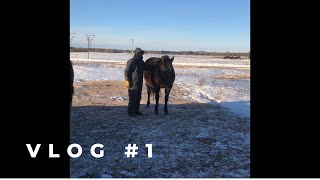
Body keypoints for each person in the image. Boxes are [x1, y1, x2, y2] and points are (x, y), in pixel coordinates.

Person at [124, 48, 149, 117]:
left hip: (139, 82)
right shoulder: (132, 61)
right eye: (140, 53)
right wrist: (127, 80)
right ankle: (130, 111)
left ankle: (136, 110)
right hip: (132, 82)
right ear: (137, 53)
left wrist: (155, 64)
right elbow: (127, 71)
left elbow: (146, 67)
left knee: (138, 97)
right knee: (132, 98)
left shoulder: (141, 62)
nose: (141, 54)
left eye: (142, 53)